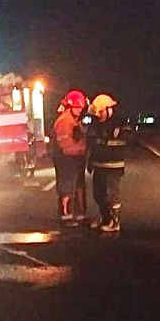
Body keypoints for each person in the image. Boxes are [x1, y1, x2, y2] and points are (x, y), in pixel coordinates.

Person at [85, 93, 126, 232]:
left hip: (113, 166)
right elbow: (94, 145)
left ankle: (115, 221)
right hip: (99, 166)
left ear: (109, 109)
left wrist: (110, 138)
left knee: (111, 195)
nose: (99, 115)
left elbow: (126, 139)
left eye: (101, 112)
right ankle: (105, 218)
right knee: (99, 194)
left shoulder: (118, 125)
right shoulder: (98, 125)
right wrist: (90, 161)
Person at [52, 89, 88, 227]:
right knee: (67, 187)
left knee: (77, 185)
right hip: (65, 159)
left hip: (74, 158)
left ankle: (78, 215)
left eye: (81, 108)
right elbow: (66, 145)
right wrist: (81, 150)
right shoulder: (64, 121)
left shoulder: (74, 120)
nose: (80, 110)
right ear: (70, 106)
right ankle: (65, 215)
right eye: (77, 107)